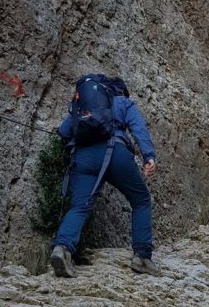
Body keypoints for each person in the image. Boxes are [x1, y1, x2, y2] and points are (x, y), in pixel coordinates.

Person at [50, 75, 159, 278]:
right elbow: (139, 130)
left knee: (80, 206)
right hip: (115, 153)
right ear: (120, 92)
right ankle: (142, 256)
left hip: (83, 157)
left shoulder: (83, 106)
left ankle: (62, 248)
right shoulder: (124, 103)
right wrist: (148, 156)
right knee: (141, 200)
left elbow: (65, 131)